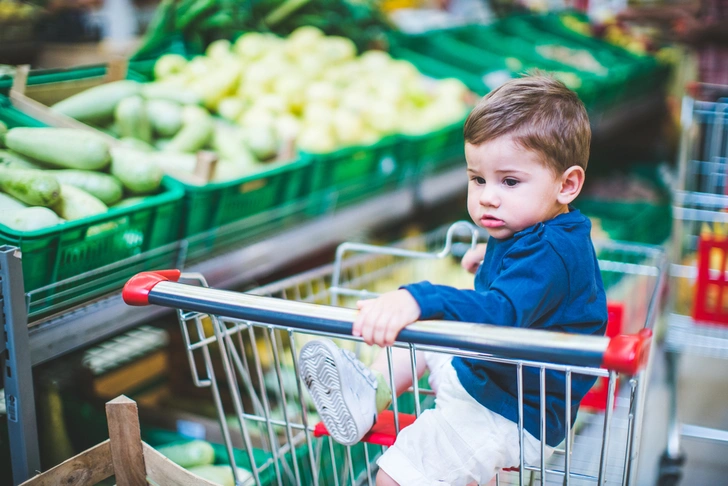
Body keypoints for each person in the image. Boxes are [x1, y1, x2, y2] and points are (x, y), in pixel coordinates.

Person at [298, 74, 608, 486]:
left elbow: (501, 312)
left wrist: (420, 296)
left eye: (509, 181)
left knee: (394, 475)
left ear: (567, 184)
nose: (486, 196)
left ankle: (371, 396)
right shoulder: (539, 231)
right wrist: (495, 261)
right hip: (493, 379)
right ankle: (368, 395)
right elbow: (535, 282)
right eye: (477, 178)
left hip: (510, 412)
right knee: (427, 332)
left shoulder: (550, 252)